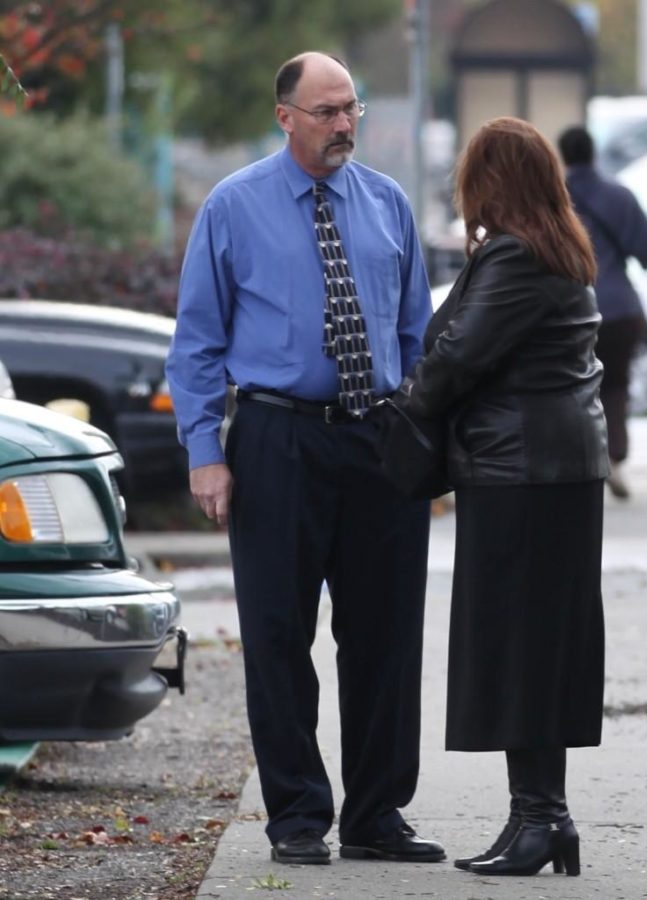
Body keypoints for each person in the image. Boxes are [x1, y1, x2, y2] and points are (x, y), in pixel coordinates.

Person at [165, 51, 445, 867]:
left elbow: (412, 336)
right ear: (285, 116)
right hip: (276, 440)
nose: (344, 125)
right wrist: (204, 453)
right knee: (280, 633)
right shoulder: (233, 206)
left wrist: (418, 437)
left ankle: (376, 815)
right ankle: (295, 814)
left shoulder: (388, 204)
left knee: (386, 634)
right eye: (326, 111)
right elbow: (196, 345)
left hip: (377, 440)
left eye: (351, 108)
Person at [399, 117, 609, 877]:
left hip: (517, 471)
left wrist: (408, 403)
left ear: (490, 180)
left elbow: (455, 354)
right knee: (542, 646)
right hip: (558, 470)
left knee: (519, 646)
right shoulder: (560, 245)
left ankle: (540, 818)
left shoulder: (516, 254)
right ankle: (538, 817)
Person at [557, 125, 647, 499]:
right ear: (593, 153)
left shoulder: (555, 199)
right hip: (621, 310)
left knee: (572, 388)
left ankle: (580, 463)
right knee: (615, 385)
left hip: (569, 311)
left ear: (564, 156)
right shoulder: (619, 197)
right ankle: (614, 459)